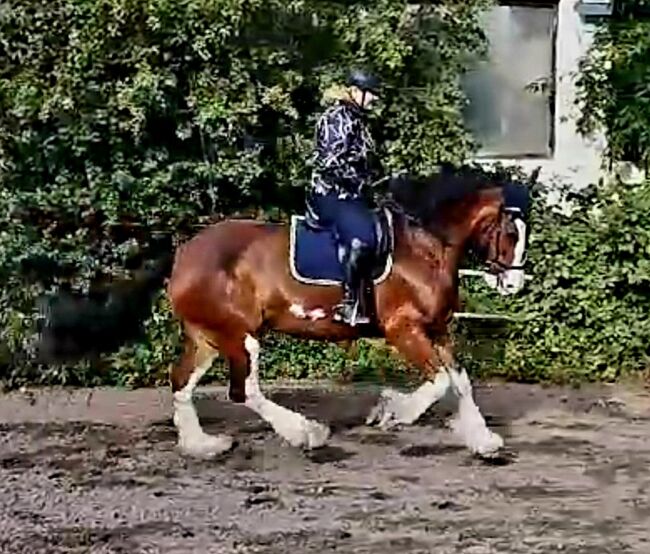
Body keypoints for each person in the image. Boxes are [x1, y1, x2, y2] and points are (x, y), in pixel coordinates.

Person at [306, 69, 383, 326]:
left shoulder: (357, 119)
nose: (373, 99)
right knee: (362, 239)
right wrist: (359, 181)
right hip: (330, 193)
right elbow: (330, 163)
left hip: (351, 194)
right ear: (355, 91)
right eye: (370, 94)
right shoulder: (337, 118)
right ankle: (349, 304)